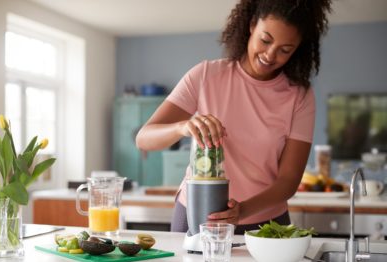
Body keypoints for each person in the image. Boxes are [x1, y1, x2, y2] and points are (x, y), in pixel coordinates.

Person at [136, 0, 332, 234]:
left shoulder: (299, 96)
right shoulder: (205, 75)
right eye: (265, 40)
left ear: (297, 49)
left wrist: (243, 211)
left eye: (285, 50)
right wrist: (182, 127)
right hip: (198, 214)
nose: (270, 55)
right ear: (251, 26)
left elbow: (288, 181)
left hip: (265, 223)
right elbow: (144, 138)